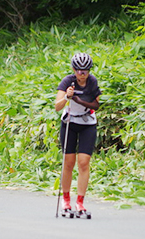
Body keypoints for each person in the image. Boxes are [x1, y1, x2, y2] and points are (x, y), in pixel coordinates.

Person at [55, 53, 101, 214]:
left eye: (85, 71)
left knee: (83, 162)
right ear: (74, 70)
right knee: (69, 162)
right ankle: (66, 199)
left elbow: (97, 103)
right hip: (69, 122)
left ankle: (80, 202)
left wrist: (80, 101)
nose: (82, 74)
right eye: (79, 71)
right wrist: (67, 97)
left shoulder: (92, 81)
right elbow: (57, 106)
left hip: (88, 122)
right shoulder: (68, 81)